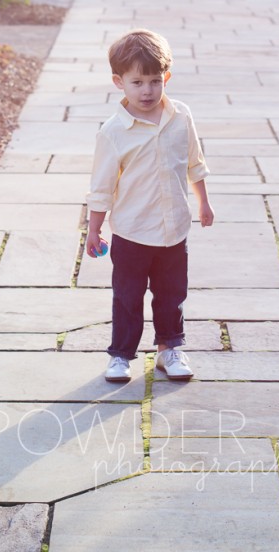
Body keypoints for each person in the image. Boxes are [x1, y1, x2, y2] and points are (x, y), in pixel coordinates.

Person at [86, 28, 215, 383]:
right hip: (131, 233)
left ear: (166, 78)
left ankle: (169, 349)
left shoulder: (180, 116)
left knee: (172, 294)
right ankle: (121, 355)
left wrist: (204, 202)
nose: (147, 91)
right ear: (119, 82)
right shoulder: (113, 132)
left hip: (174, 230)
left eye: (155, 81)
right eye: (137, 82)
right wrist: (94, 228)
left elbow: (194, 162)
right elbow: (101, 188)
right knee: (127, 297)